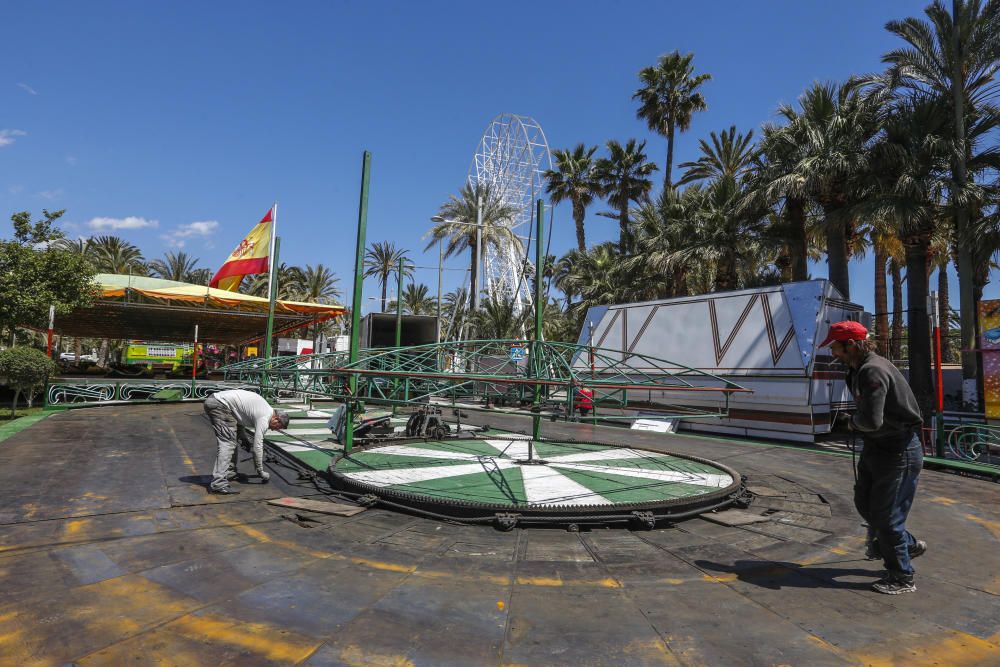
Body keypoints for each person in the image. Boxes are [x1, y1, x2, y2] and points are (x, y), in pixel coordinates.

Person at [821, 320, 926, 595]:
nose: (833, 353)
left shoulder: (872, 371)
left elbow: (871, 420)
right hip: (876, 448)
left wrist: (849, 423)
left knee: (886, 516)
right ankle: (908, 544)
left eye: (835, 347)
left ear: (852, 345)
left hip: (898, 450)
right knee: (864, 501)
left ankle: (902, 576)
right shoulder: (856, 369)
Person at [202, 389, 289, 495]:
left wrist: (243, 438)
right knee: (227, 443)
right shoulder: (265, 417)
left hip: (218, 401)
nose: (273, 429)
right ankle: (218, 484)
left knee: (231, 441)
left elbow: (239, 417)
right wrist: (260, 471)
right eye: (277, 427)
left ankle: (229, 472)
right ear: (276, 419)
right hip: (220, 405)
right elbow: (257, 447)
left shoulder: (264, 409)